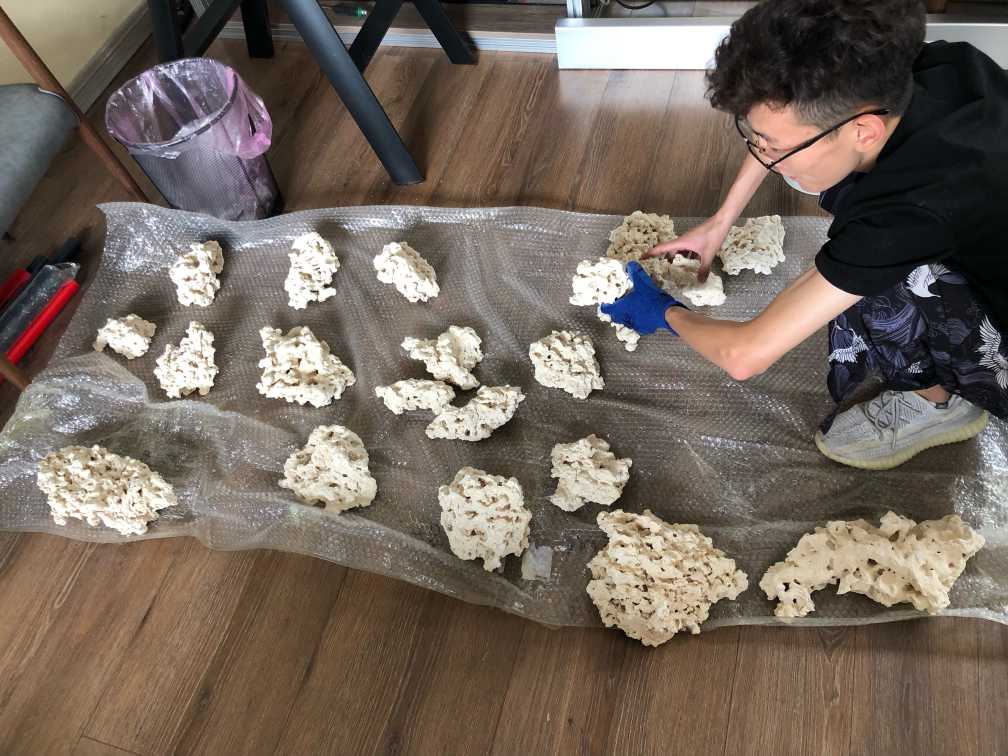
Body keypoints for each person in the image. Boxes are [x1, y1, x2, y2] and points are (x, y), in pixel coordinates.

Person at [602, 0, 1008, 470]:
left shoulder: (910, 212)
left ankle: (938, 404)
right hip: (977, 223)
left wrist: (660, 311)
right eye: (754, 136)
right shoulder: (934, 67)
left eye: (775, 147)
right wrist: (721, 221)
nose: (764, 154)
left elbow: (745, 354)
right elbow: (783, 132)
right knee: (843, 204)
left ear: (865, 130)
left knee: (878, 281)